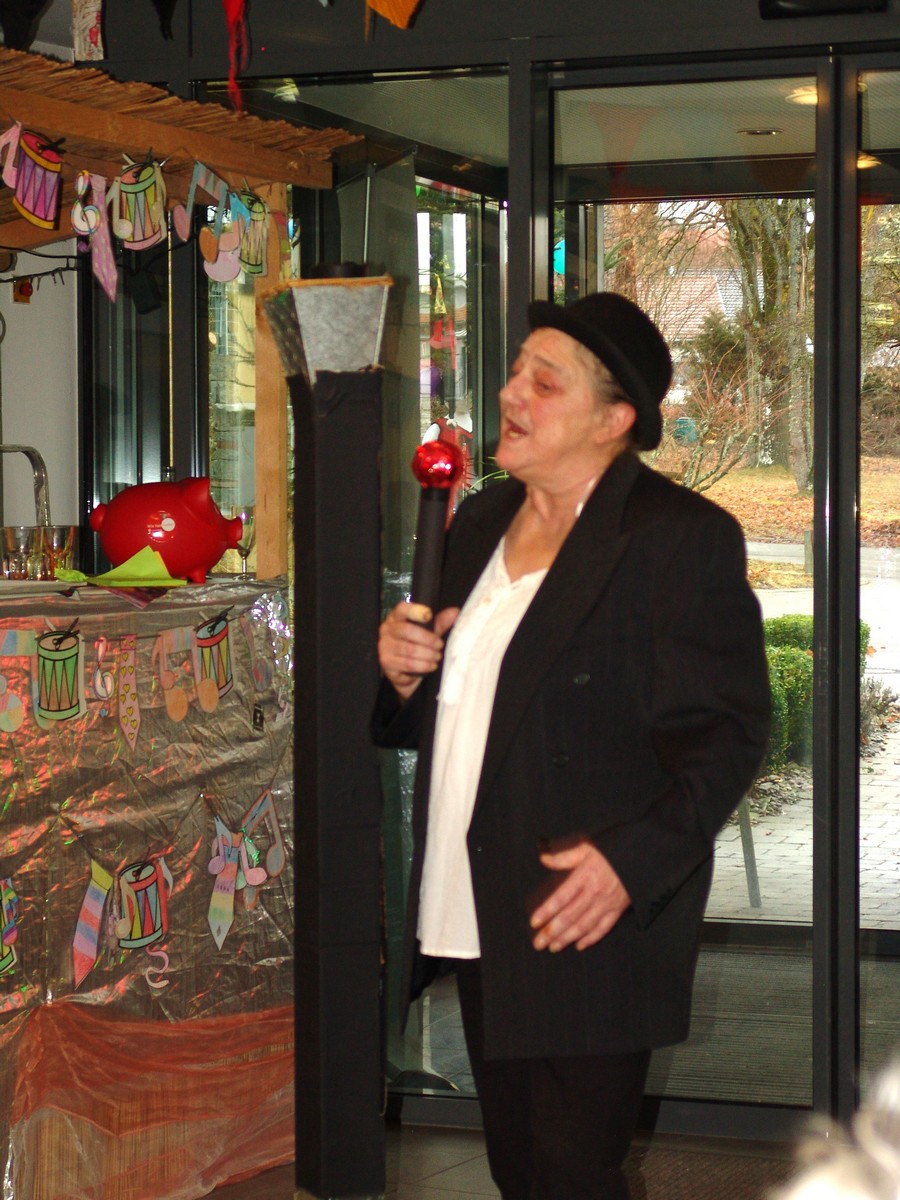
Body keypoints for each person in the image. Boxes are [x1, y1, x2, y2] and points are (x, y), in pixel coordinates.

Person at [373, 291, 771, 1200]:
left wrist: (632, 863)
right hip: (480, 895)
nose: (512, 393)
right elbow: (468, 704)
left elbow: (729, 733)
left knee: (569, 1174)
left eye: (544, 383)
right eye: (517, 372)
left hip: (585, 914)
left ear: (613, 419)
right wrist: (400, 675)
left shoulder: (677, 539)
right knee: (522, 1171)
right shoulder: (480, 522)